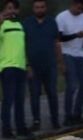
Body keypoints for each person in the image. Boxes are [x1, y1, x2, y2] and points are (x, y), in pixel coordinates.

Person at [0, 0, 29, 138]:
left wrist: (27, 64)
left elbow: (22, 47)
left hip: (20, 66)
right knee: (8, 99)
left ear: (17, 11)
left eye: (13, 8)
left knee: (20, 99)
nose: (11, 11)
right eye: (8, 8)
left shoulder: (20, 25)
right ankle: (6, 129)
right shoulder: (2, 25)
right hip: (7, 67)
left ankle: (21, 127)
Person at [23, 0, 62, 131]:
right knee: (34, 94)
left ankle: (55, 120)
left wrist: (59, 61)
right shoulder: (26, 23)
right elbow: (22, 45)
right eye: (37, 7)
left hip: (50, 65)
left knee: (52, 93)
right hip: (33, 66)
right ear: (33, 9)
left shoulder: (52, 22)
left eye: (42, 7)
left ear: (46, 8)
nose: (39, 9)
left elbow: (57, 42)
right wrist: (27, 65)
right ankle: (36, 121)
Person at [55, 0, 83, 126]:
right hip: (67, 53)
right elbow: (59, 38)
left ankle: (77, 114)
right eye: (78, 8)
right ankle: (68, 116)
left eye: (82, 9)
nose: (79, 10)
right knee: (71, 86)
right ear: (72, 5)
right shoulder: (62, 17)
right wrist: (76, 35)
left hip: (80, 54)